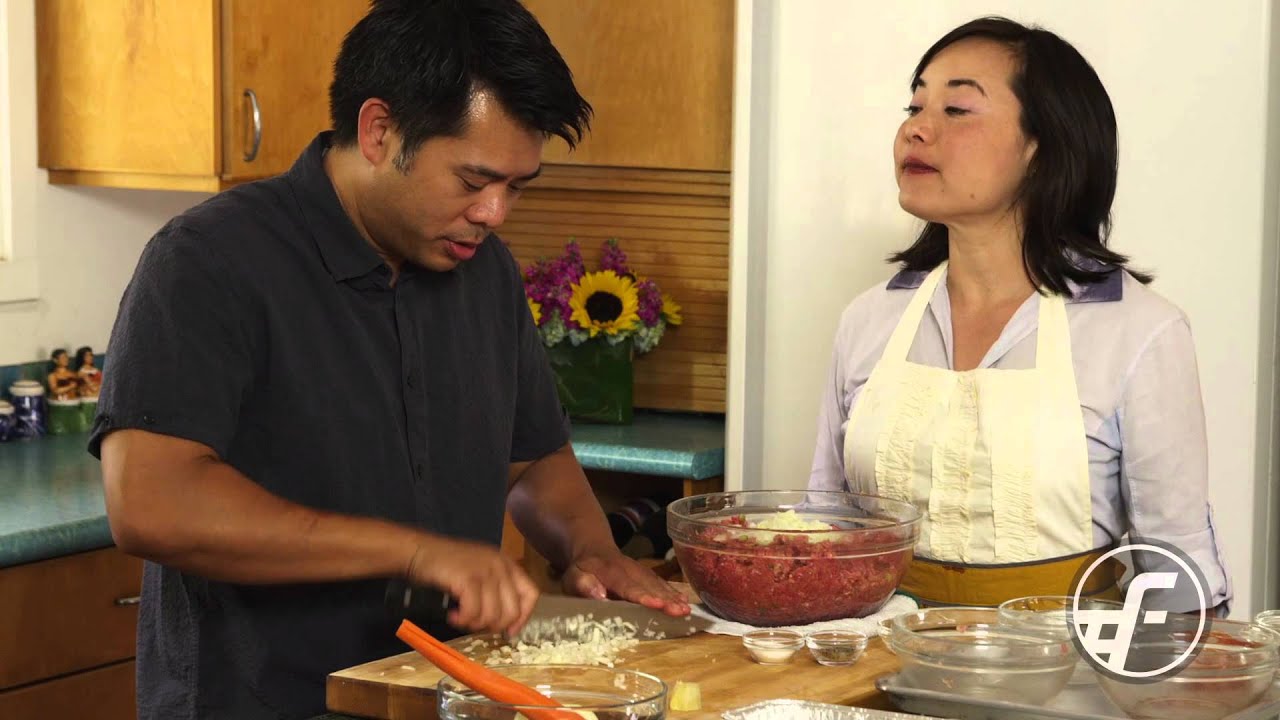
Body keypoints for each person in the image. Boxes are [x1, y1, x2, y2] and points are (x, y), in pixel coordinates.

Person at [90, 2, 689, 718]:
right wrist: (412, 552)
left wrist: (588, 550)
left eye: (516, 186)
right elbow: (151, 504)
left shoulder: (486, 273)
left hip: (439, 699)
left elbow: (531, 459)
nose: (495, 213)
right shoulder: (207, 262)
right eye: (473, 181)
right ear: (379, 131)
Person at [808, 17, 1231, 614]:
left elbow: (1175, 571)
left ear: (1043, 147)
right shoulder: (869, 319)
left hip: (1067, 662)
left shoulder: (1139, 332)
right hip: (880, 653)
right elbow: (825, 524)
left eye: (957, 109)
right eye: (914, 106)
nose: (915, 130)